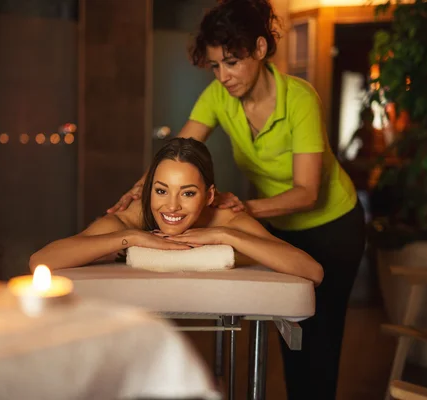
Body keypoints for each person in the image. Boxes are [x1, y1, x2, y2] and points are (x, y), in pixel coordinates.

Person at [107, 1, 366, 398]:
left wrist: (243, 209)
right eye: (215, 65)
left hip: (334, 226)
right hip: (282, 226)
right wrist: (139, 190)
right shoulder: (218, 97)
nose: (223, 76)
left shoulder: (299, 99)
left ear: (260, 50)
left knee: (322, 338)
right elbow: (179, 148)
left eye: (232, 61)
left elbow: (307, 192)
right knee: (289, 328)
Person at [31, 138, 323, 286]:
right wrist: (132, 238)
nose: (171, 206)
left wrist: (224, 235)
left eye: (187, 193)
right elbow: (40, 261)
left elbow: (313, 271)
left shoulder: (225, 218)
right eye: (161, 190)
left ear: (209, 195)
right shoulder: (131, 218)